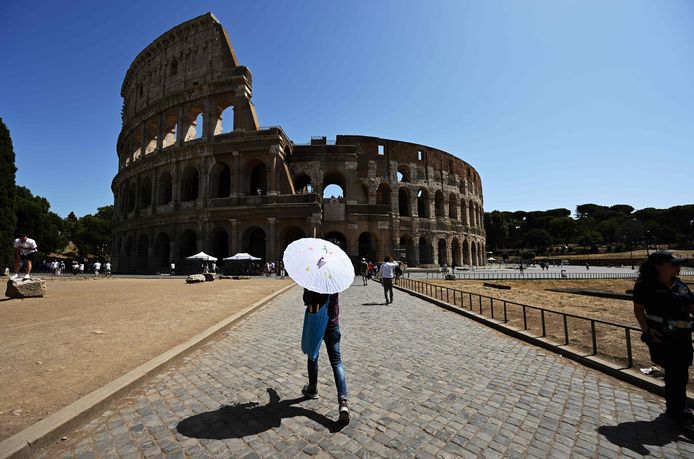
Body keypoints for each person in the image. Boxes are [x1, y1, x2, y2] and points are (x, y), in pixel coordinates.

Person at [633, 250, 694, 430]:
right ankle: (681, 415)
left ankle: (674, 408)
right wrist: (646, 330)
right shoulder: (645, 285)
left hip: (683, 336)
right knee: (676, 373)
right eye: (674, 264)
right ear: (659, 266)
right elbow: (638, 309)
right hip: (662, 336)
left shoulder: (680, 285)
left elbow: (691, 306)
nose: (679, 266)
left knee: (680, 373)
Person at [301, 289, 350, 423]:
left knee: (313, 355)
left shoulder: (313, 281)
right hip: (333, 325)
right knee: (337, 362)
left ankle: (312, 388)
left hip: (316, 323)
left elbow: (306, 300)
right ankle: (343, 402)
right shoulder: (334, 281)